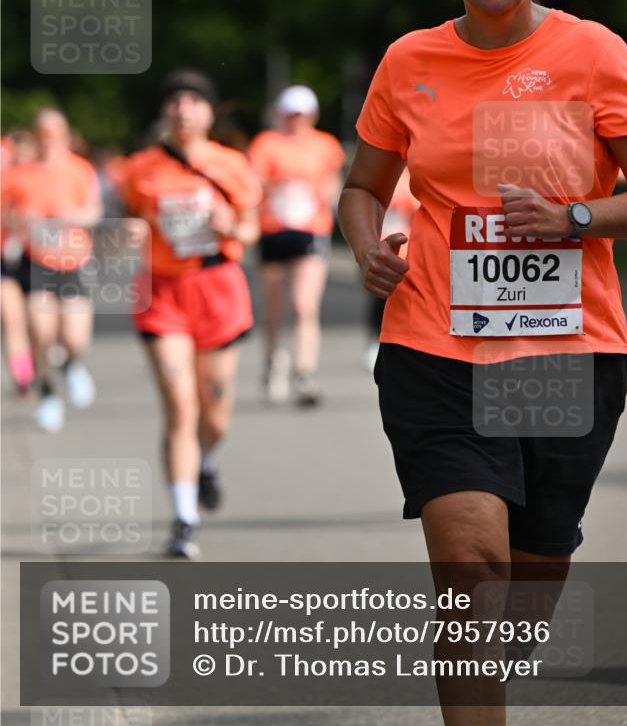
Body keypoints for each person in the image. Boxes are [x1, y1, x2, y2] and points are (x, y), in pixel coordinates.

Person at [338, 0, 627, 724]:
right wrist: (368, 249)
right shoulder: (410, 61)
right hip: (436, 349)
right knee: (470, 573)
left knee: (530, 582)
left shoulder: (593, 52)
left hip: (568, 355)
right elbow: (360, 188)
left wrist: (573, 215)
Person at [121, 70, 261, 559]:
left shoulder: (232, 165)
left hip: (218, 288)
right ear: (164, 112)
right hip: (162, 293)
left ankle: (207, 461)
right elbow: (129, 221)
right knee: (180, 406)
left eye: (193, 101)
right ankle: (184, 519)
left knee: (215, 414)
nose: (183, 109)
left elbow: (251, 227)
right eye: (174, 101)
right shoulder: (140, 168)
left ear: (208, 112)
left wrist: (233, 227)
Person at [2, 111, 102, 431]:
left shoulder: (79, 169)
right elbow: (5, 217)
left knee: (75, 337)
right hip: (37, 263)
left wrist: (67, 216)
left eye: (55, 132)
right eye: (43, 132)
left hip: (73, 262)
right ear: (35, 135)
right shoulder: (18, 174)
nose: (49, 139)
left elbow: (94, 212)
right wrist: (20, 219)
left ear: (65, 134)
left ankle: (72, 364)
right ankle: (47, 395)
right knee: (40, 332)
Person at [248, 85, 345, 406]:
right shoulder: (266, 144)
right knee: (274, 308)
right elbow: (254, 182)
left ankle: (305, 372)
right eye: (290, 114)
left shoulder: (325, 145)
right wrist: (279, 186)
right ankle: (273, 361)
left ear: (312, 116)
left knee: (304, 304)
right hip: (273, 229)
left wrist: (320, 195)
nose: (295, 120)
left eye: (301, 114)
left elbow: (332, 183)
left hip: (310, 229)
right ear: (281, 114)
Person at [363, 167, 418, 371]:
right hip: (381, 247)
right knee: (378, 299)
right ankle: (374, 340)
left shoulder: (412, 179)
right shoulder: (381, 177)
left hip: (406, 248)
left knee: (403, 299)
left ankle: (404, 342)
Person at [1, 130, 38, 395]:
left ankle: (40, 363)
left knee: (36, 322)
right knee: (12, 320)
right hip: (7, 258)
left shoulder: (45, 180)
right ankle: (22, 377)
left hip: (39, 259)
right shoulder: (6, 180)